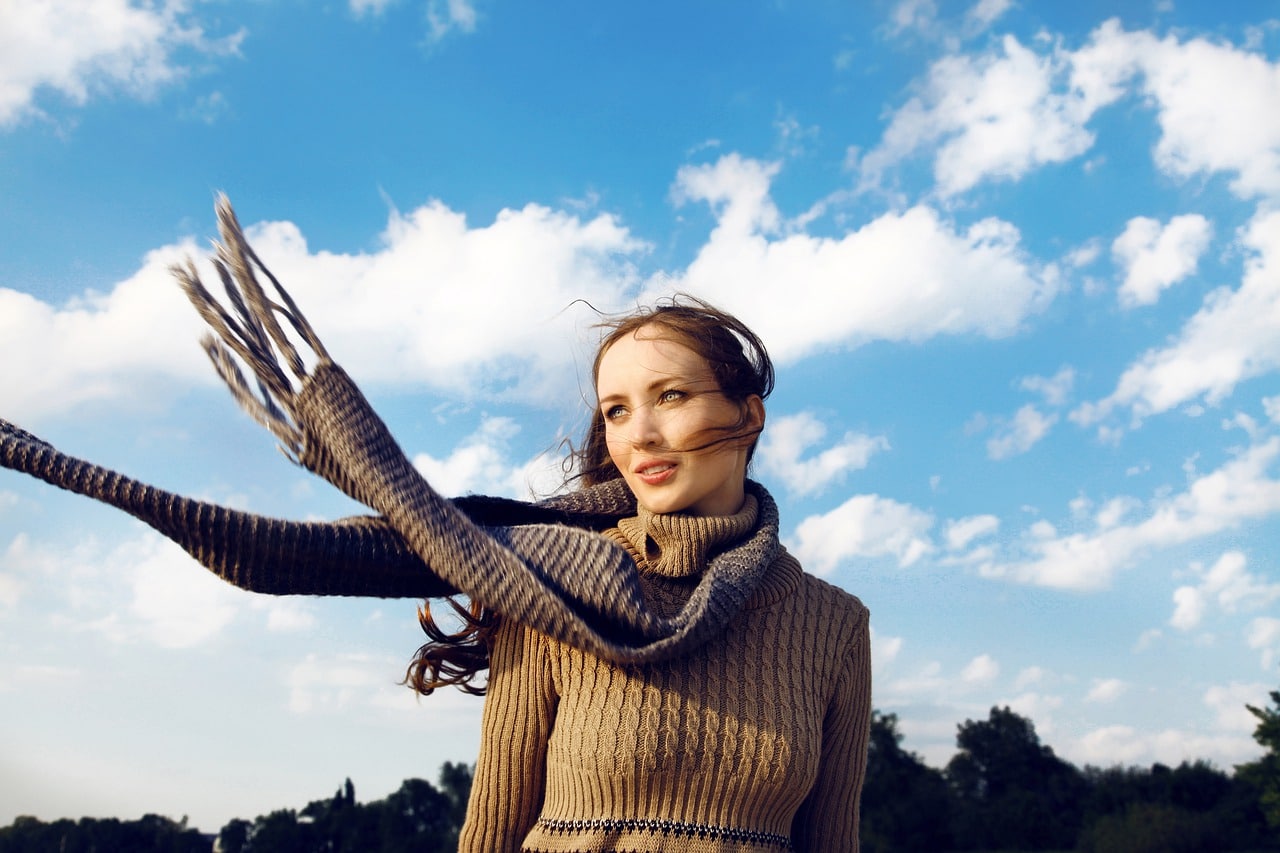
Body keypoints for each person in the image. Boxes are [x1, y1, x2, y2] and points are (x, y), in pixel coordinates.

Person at [0, 197, 870, 851]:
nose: (635, 432)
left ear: (748, 414)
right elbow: (491, 823)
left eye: (670, 397)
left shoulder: (833, 624)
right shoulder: (554, 582)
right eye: (614, 410)